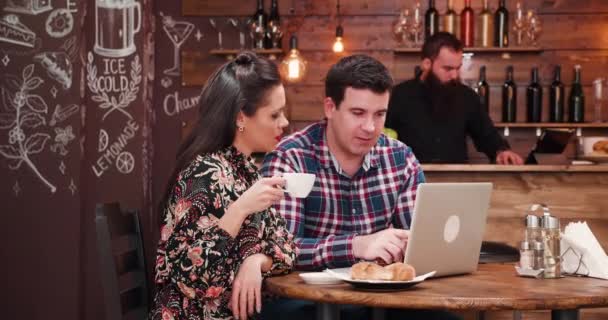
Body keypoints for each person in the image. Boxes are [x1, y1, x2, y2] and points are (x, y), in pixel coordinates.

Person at [261, 54, 460, 320]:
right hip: (305, 300)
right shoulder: (291, 157)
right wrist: (355, 246)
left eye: (380, 115)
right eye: (358, 113)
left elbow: (419, 243)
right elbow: (281, 250)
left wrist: (413, 244)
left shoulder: (400, 159)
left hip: (383, 298)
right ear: (330, 108)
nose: (370, 127)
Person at [150, 52, 297, 320]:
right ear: (241, 117)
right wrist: (239, 209)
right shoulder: (203, 174)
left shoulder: (247, 170)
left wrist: (256, 262)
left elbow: (286, 248)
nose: (284, 123)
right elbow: (192, 278)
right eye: (275, 114)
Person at [386, 32, 523, 165]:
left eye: (458, 68)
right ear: (426, 64)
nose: (454, 75)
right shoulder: (399, 95)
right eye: (448, 69)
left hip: (456, 181)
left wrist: (501, 151)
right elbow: (382, 138)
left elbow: (487, 135)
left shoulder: (467, 97)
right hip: (409, 182)